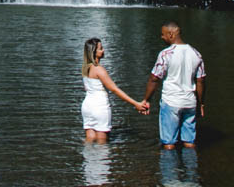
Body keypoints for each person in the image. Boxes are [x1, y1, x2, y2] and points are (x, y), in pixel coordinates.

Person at [136, 21, 206, 150]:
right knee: (190, 141)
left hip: (171, 102)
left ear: (171, 34)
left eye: (163, 34)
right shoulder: (196, 54)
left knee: (169, 143)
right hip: (190, 102)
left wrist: (146, 100)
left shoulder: (165, 54)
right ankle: (191, 168)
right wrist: (200, 104)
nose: (162, 37)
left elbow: (154, 79)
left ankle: (169, 169)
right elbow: (201, 81)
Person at [81, 37, 145, 143]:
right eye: (101, 48)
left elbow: (86, 88)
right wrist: (135, 103)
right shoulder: (99, 69)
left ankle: (87, 159)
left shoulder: (85, 68)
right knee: (102, 142)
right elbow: (114, 89)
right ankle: (102, 160)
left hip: (87, 107)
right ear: (94, 52)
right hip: (99, 107)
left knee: (90, 139)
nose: (103, 50)